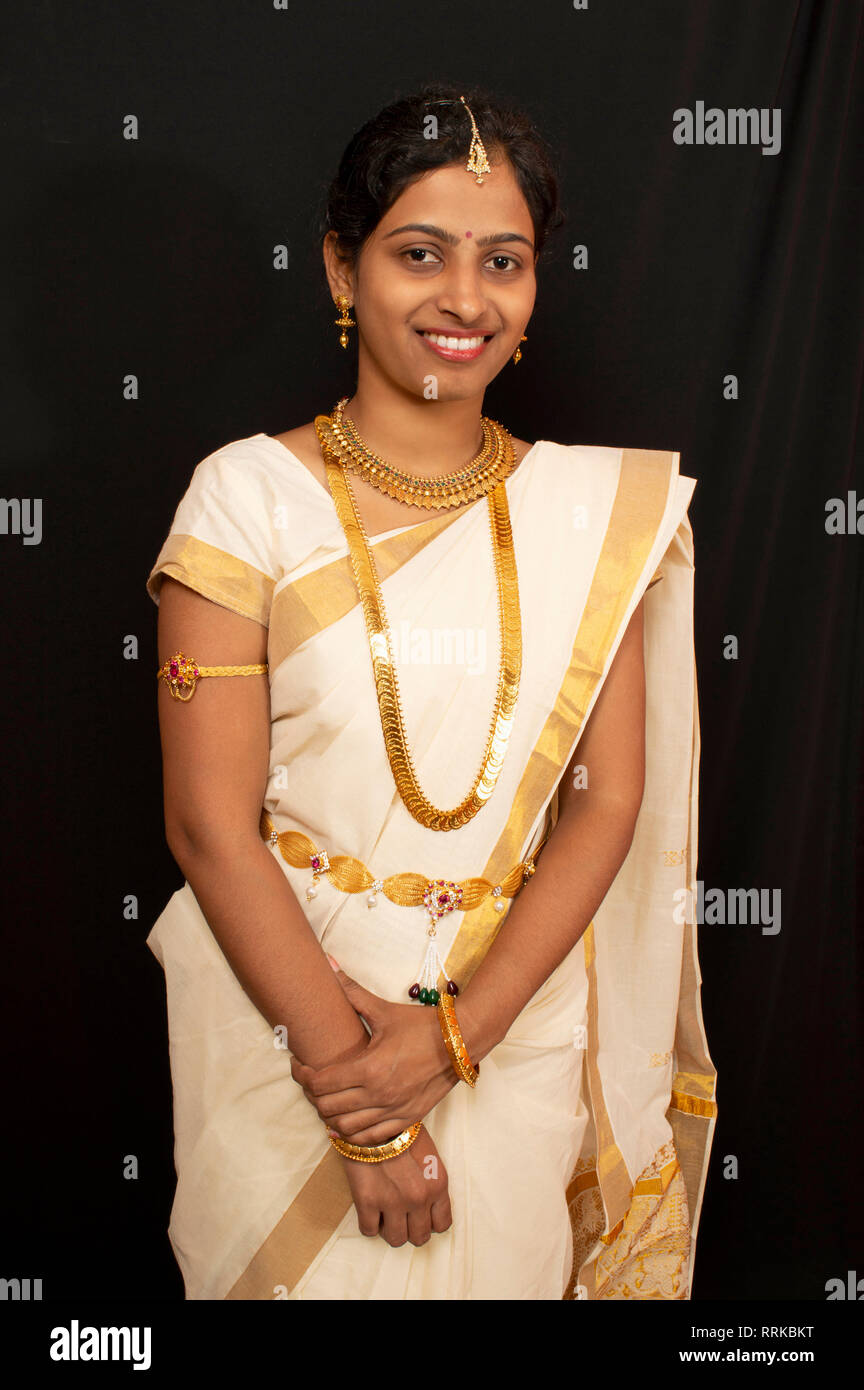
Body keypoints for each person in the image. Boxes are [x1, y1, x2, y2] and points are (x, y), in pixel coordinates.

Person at [145, 83, 717, 1301]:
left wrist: (456, 1038)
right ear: (343, 271)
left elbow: (608, 801)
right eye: (420, 254)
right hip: (290, 1019)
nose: (466, 299)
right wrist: (361, 1101)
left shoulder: (585, 517)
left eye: (502, 262)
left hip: (507, 1035)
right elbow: (209, 823)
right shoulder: (244, 500)